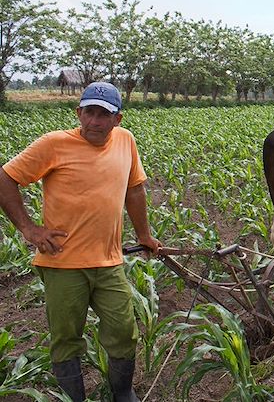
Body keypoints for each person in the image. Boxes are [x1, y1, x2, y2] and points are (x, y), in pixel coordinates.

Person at [0, 82, 161, 402]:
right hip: (63, 262)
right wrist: (29, 229)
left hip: (109, 260)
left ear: (118, 119)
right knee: (66, 339)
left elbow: (134, 190)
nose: (94, 121)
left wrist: (143, 235)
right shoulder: (54, 144)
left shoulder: (126, 141)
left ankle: (123, 393)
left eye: (104, 115)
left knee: (124, 330)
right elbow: (6, 178)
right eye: (89, 113)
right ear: (79, 113)